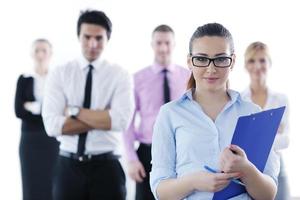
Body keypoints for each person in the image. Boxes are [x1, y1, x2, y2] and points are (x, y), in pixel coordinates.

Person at [150, 23, 280, 200]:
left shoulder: (253, 114)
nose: (211, 69)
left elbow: (268, 194)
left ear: (232, 61)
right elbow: (160, 190)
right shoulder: (169, 114)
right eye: (202, 59)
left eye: (220, 59)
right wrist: (193, 182)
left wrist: (246, 169)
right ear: (189, 61)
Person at [42, 10, 134, 200]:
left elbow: (121, 121)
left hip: (107, 167)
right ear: (79, 36)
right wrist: (103, 116)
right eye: (87, 37)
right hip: (68, 166)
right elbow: (52, 126)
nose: (92, 44)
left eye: (99, 38)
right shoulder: (60, 73)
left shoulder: (120, 75)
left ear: (107, 39)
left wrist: (74, 112)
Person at [123, 24, 190, 200]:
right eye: (159, 43)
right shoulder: (137, 79)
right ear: (152, 44)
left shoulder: (188, 77)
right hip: (148, 153)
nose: (163, 48)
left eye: (167, 43)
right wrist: (131, 159)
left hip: (181, 152)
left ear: (174, 45)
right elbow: (127, 122)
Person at [242, 41, 290, 200]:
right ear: (245, 65)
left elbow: (285, 140)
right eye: (252, 60)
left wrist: (256, 137)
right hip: (248, 166)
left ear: (269, 63)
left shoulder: (281, 99)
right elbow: (240, 140)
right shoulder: (240, 100)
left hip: (276, 165)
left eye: (262, 60)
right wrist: (270, 133)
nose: (257, 66)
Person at [14, 38, 59, 200]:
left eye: (44, 50)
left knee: (52, 182)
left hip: (52, 139)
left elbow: (60, 110)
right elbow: (18, 111)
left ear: (50, 54)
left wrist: (32, 107)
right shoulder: (24, 79)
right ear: (31, 54)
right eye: (37, 50)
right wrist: (45, 109)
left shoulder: (56, 79)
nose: (40, 54)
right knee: (31, 182)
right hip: (30, 140)